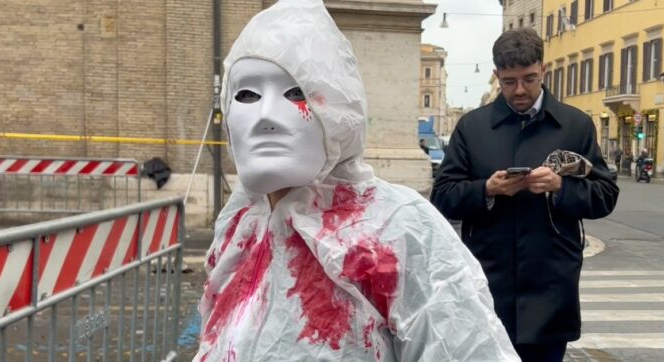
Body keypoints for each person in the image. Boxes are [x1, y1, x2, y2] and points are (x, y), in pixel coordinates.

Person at [193, 1, 519, 361]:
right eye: (247, 95)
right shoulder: (239, 226)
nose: (265, 116)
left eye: (296, 93)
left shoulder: (400, 228)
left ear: (338, 108)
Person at [431, 28, 619, 362]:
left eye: (529, 79)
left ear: (543, 70)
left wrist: (561, 187)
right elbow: (443, 196)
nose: (520, 90)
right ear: (496, 76)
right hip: (487, 284)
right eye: (509, 81)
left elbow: (605, 195)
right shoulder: (472, 127)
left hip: (551, 285)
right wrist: (487, 189)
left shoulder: (575, 125)